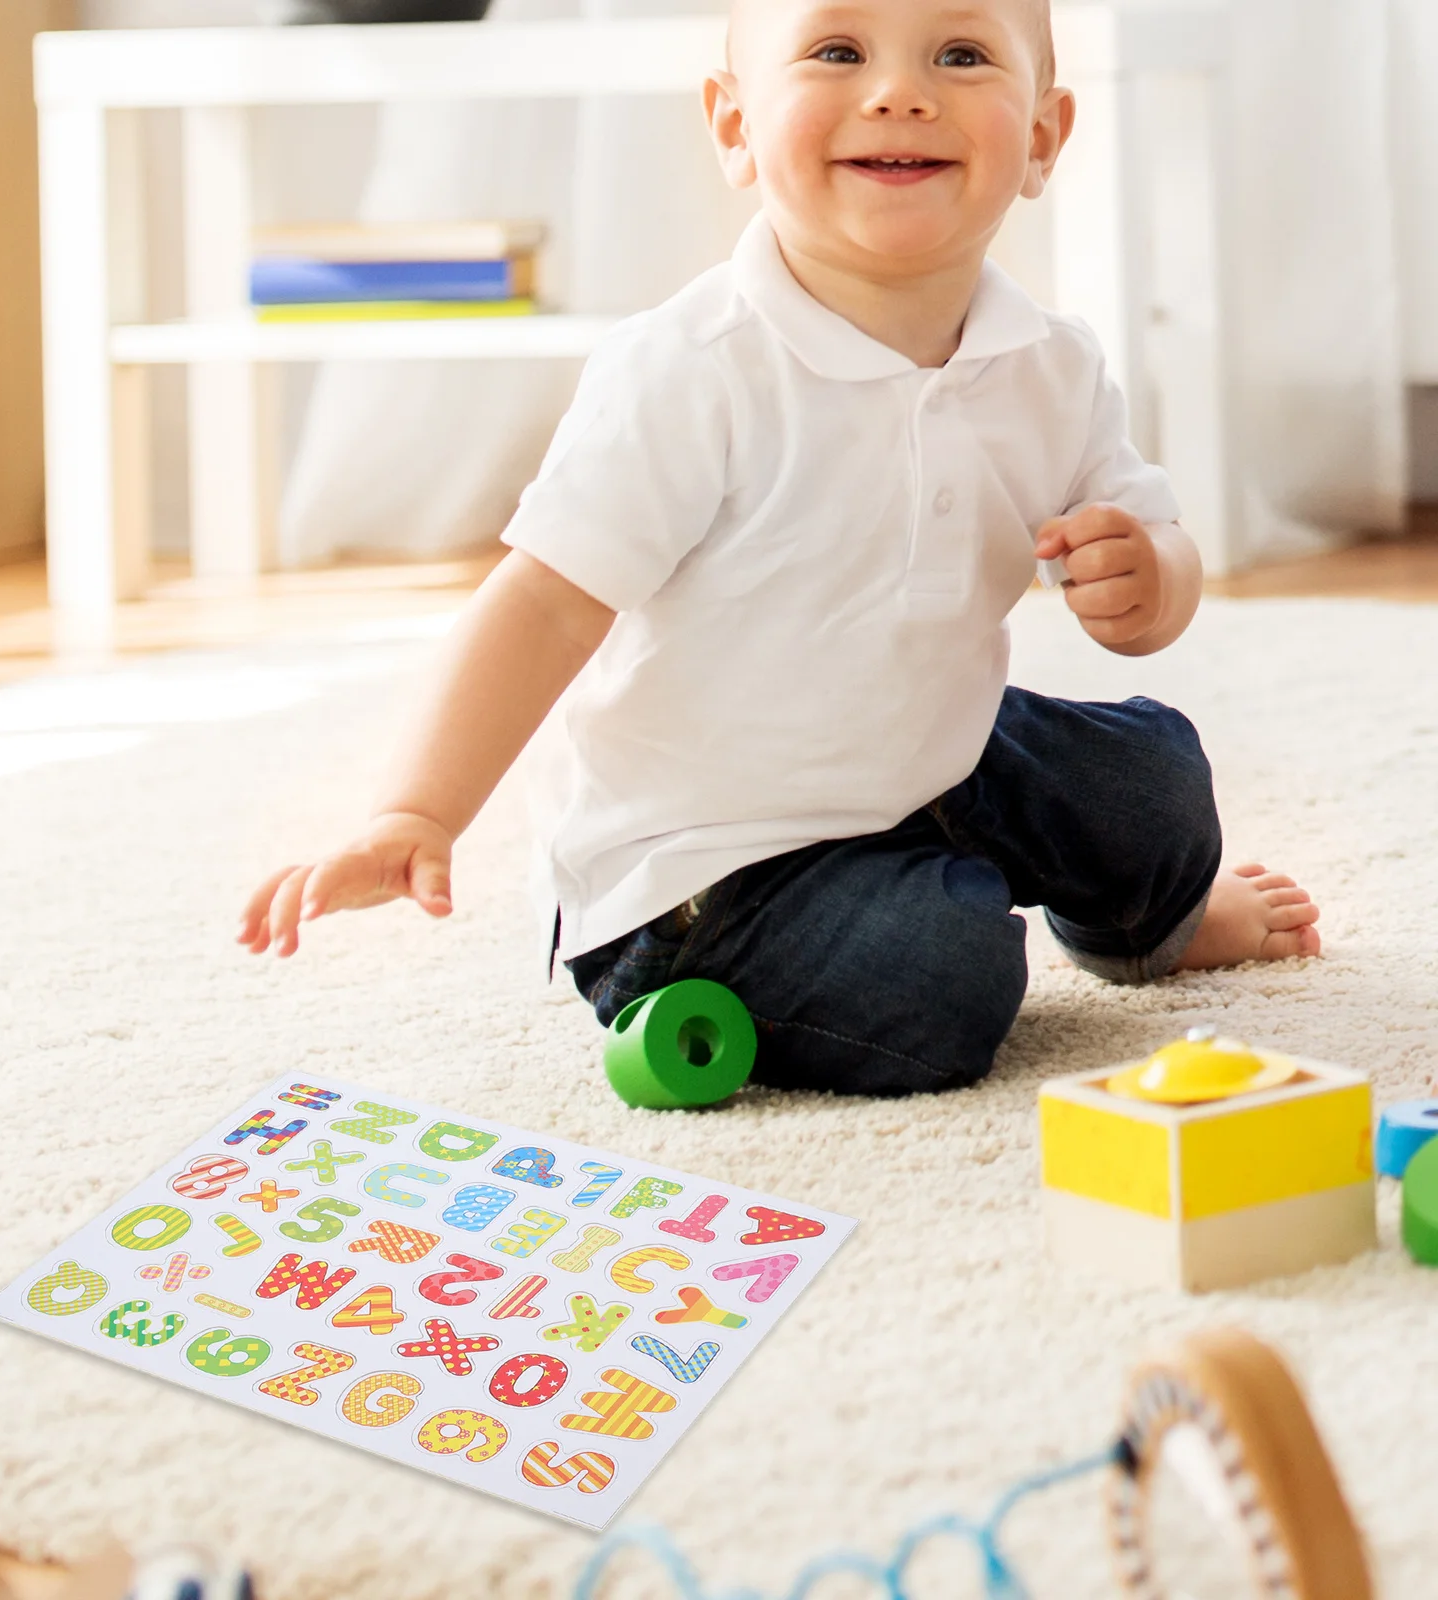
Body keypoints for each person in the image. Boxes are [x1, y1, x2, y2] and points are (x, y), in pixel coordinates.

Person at [238, 0, 1321, 1096]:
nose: (900, 91)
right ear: (734, 127)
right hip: (704, 864)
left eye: (960, 54)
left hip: (919, 758)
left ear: (1041, 137)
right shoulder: (690, 370)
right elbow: (544, 604)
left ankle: (1135, 928)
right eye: (838, 52)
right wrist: (414, 812)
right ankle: (903, 911)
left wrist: (1149, 576)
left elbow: (1161, 540)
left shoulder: (1051, 363)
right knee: (941, 976)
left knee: (1152, 782)